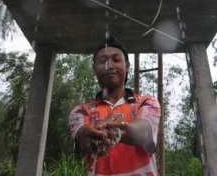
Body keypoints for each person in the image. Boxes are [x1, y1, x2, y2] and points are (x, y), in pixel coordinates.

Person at [69, 36, 161, 175]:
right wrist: (90, 135)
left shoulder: (146, 102)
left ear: (127, 66)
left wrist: (117, 129)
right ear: (94, 68)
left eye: (116, 60)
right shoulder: (81, 111)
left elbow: (145, 131)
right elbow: (80, 143)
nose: (109, 66)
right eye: (102, 61)